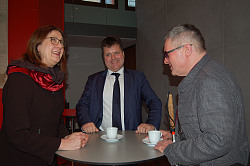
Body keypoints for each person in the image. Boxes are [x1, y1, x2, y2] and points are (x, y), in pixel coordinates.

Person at [154, 24, 249, 166]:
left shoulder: (209, 80)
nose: (165, 61)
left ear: (186, 49)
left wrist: (172, 149)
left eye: (167, 54)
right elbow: (202, 128)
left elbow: (218, 140)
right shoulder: (204, 76)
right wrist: (176, 136)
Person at [0, 25, 89, 166]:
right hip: (20, 159)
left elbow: (56, 121)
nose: (59, 46)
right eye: (53, 40)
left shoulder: (55, 81)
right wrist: (62, 143)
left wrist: (67, 136)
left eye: (61, 42)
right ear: (38, 46)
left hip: (46, 158)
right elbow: (17, 133)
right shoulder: (19, 78)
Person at [76, 36, 162, 134]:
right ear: (103, 58)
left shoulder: (138, 78)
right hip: (100, 136)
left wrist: (151, 124)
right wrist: (86, 122)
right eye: (108, 55)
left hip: (131, 137)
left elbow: (154, 102)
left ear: (123, 54)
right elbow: (82, 105)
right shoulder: (93, 80)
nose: (113, 58)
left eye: (116, 53)